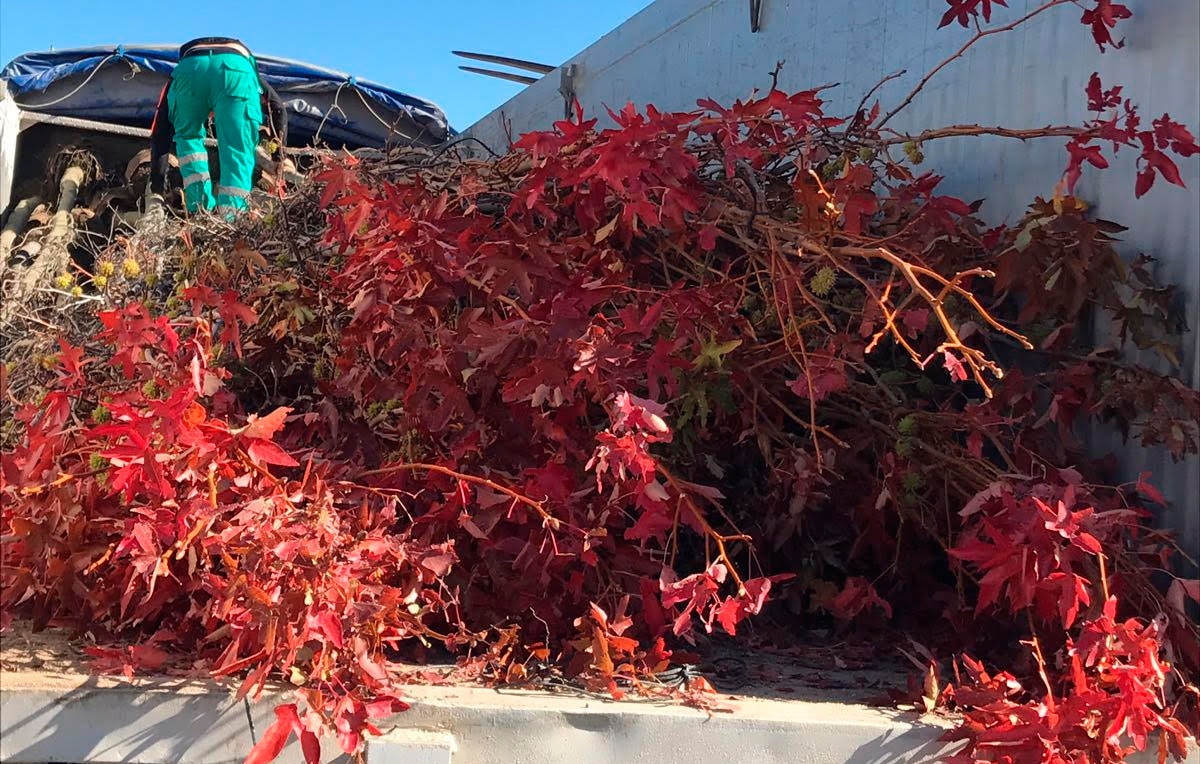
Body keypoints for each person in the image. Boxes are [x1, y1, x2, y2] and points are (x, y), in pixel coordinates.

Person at [149, 37, 288, 216]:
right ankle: (233, 217)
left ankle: (199, 212)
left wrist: (156, 190)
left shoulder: (175, 78)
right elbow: (278, 108)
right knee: (237, 148)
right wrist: (278, 157)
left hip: (190, 69)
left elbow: (160, 133)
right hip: (235, 69)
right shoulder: (252, 75)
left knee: (188, 141)